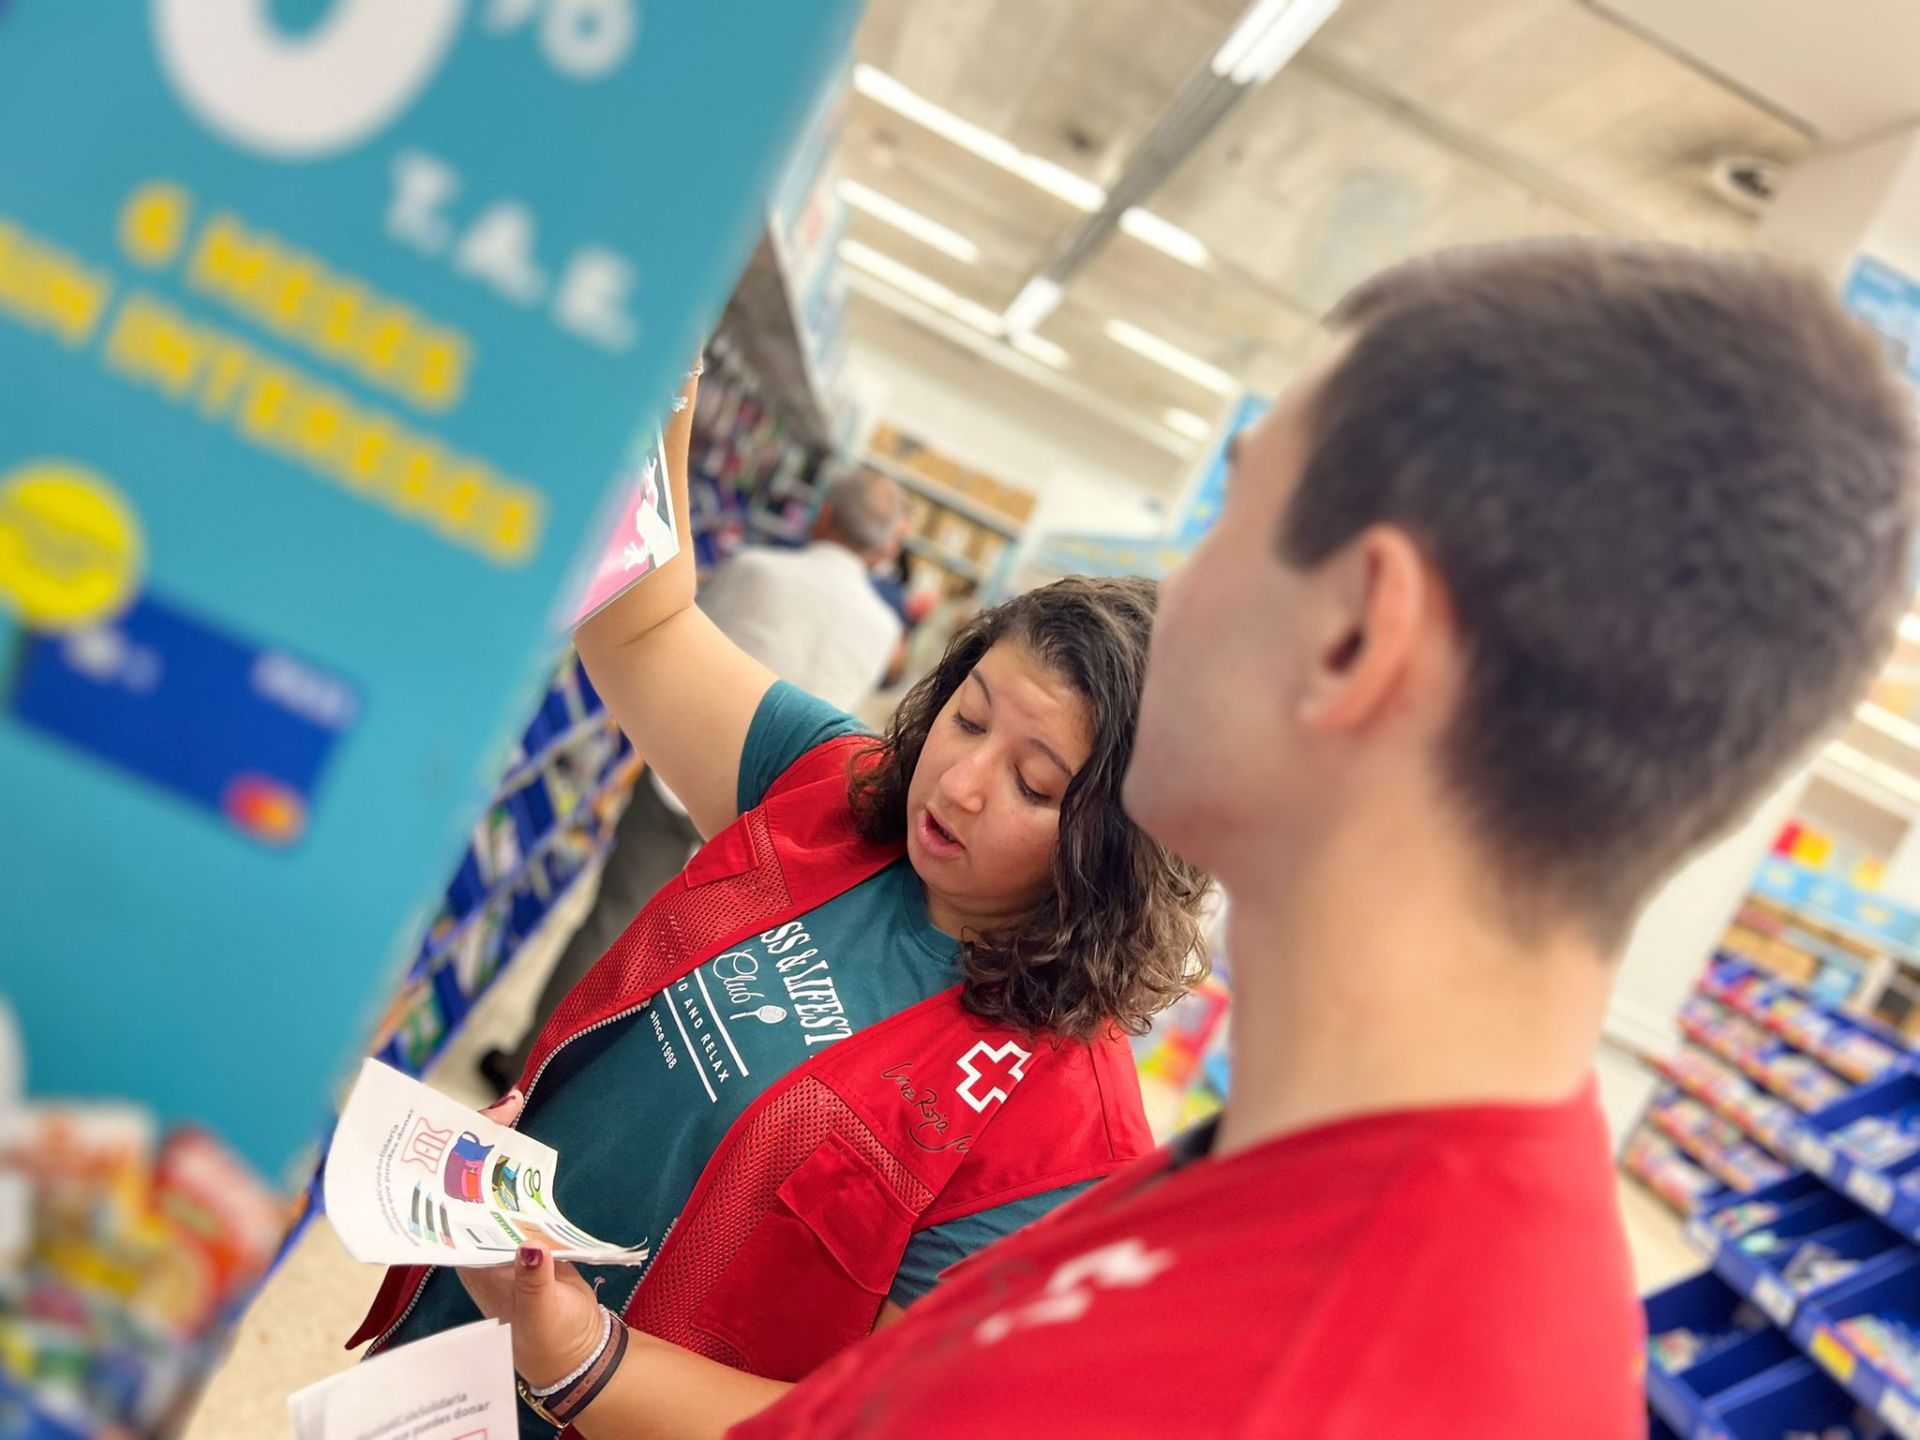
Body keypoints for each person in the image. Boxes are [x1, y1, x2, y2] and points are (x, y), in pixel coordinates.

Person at [470, 238, 1919, 1438]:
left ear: (1354, 637)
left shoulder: (1273, 1374)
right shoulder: (1335, 1219)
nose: (1173, 589)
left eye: (1234, 518)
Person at [349, 369, 1210, 1439]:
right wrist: (665, 384)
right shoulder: (833, 791)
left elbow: (875, 1421)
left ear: (1119, 847)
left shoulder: (1066, 1133)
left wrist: (576, 1359)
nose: (961, 782)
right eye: (969, 717)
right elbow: (644, 628)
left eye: (1036, 786)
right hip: (437, 1371)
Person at [478, 469, 913, 1093]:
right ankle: (583, 1089)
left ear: (823, 518)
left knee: (614, 918)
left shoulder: (760, 570)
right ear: (880, 548)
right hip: (777, 814)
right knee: (691, 963)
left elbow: (671, 635)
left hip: (684, 767)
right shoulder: (882, 628)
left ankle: (523, 1072)